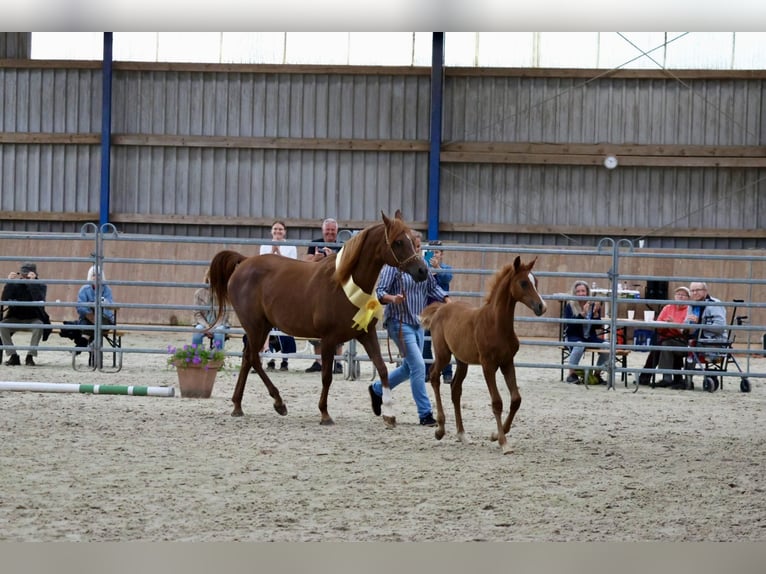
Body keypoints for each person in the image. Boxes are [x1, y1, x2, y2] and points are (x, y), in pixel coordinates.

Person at [367, 233, 450, 427]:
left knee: (408, 368)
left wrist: (447, 300)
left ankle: (377, 389)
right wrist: (392, 298)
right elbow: (380, 292)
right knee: (419, 367)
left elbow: (432, 288)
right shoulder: (393, 267)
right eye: (416, 247)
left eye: (420, 247)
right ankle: (425, 413)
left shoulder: (422, 267)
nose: (419, 251)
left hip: (417, 322)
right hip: (398, 322)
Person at [303, 217, 344, 374]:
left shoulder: (343, 246)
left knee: (339, 326)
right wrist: (317, 258)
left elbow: (348, 266)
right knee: (316, 326)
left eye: (333, 230)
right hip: (318, 290)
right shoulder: (315, 243)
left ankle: (338, 363)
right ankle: (318, 362)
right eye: (327, 230)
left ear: (337, 231)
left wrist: (333, 256)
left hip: (337, 291)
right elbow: (306, 264)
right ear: (323, 231)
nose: (330, 233)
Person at [259, 220, 297, 371]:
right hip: (268, 285)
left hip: (284, 284)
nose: (277, 232)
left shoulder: (291, 247)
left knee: (283, 321)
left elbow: (291, 265)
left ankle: (285, 358)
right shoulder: (264, 245)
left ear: (285, 232)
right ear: (271, 231)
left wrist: (277, 252)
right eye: (275, 229)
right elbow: (262, 264)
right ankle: (270, 356)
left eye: (280, 229)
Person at [0, 262, 49, 366]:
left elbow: (39, 299)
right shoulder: (15, 284)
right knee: (3, 325)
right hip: (15, 317)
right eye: (23, 274)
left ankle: (30, 356)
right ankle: (13, 355)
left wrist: (32, 283)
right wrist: (9, 283)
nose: (24, 276)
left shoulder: (40, 285)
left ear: (34, 274)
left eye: (27, 274)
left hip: (33, 317)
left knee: (39, 326)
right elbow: (4, 299)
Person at [421, 239, 455, 384]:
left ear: (441, 254)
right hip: (427, 310)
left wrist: (438, 269)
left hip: (442, 312)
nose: (433, 255)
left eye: (436, 252)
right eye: (431, 252)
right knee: (426, 342)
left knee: (444, 343)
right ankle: (428, 371)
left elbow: (447, 279)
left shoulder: (446, 268)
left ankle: (447, 372)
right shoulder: (422, 268)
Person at [563, 280, 608, 384]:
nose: (581, 294)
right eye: (578, 291)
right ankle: (571, 374)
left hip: (590, 337)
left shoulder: (593, 305)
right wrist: (582, 315)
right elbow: (570, 327)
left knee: (607, 345)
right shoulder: (570, 306)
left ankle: (597, 374)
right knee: (579, 345)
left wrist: (596, 314)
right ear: (574, 293)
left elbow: (597, 327)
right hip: (573, 336)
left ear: (587, 292)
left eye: (583, 291)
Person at [648, 286, 693, 387]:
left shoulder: (689, 310)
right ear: (674, 296)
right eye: (678, 294)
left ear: (688, 298)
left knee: (664, 345)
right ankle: (673, 378)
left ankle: (665, 378)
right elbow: (658, 325)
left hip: (683, 341)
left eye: (683, 295)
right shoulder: (667, 307)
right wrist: (665, 325)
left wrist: (673, 324)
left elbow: (686, 331)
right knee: (661, 344)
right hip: (666, 337)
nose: (680, 297)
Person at [64, 265, 116, 352]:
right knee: (90, 321)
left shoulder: (107, 289)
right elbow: (80, 307)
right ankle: (91, 346)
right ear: (90, 276)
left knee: (95, 324)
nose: (96, 277)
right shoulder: (84, 289)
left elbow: (110, 305)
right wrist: (90, 313)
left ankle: (82, 343)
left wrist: (103, 302)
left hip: (104, 318)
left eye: (98, 275)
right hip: (88, 317)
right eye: (94, 275)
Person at [192, 267, 230, 353]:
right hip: (203, 323)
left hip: (220, 323)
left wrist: (213, 327)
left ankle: (217, 357)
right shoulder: (199, 293)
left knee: (219, 333)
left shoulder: (224, 293)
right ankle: (196, 357)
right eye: (211, 278)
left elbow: (224, 314)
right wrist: (207, 326)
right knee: (197, 332)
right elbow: (197, 313)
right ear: (207, 278)